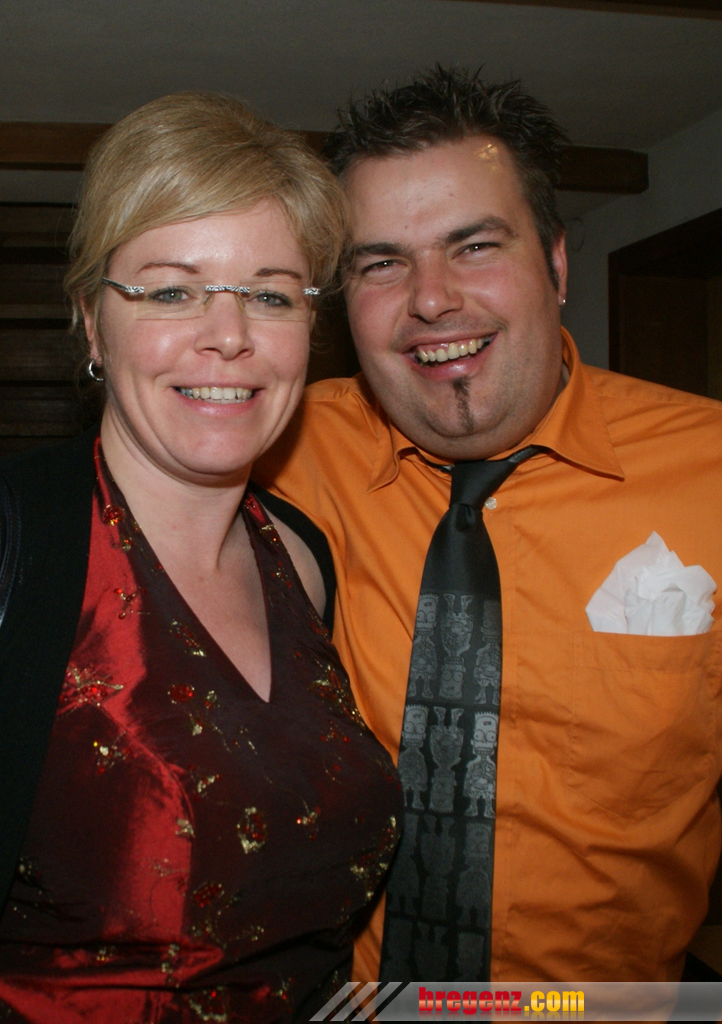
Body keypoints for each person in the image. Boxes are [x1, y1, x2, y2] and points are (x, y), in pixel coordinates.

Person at [255, 66, 722, 984]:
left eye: (472, 246)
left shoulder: (709, 471)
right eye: (381, 263)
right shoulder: (275, 449)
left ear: (555, 265)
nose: (430, 299)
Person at [0, 92, 401, 1023]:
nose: (230, 334)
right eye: (171, 290)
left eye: (270, 294)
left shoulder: (302, 556)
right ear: (92, 322)